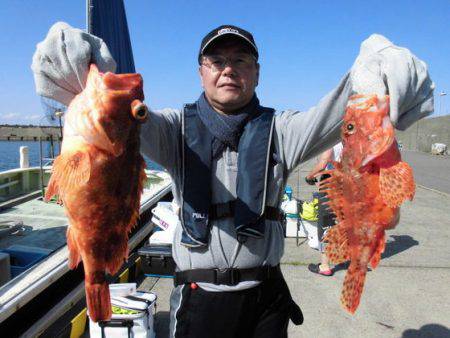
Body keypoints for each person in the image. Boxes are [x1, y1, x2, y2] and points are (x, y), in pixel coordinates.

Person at [32, 22, 434, 338]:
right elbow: (118, 124)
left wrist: (377, 65)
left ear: (257, 73)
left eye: (241, 60)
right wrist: (82, 71)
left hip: (266, 300)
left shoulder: (282, 129)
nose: (228, 69)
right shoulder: (173, 129)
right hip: (199, 301)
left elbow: (341, 110)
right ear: (201, 72)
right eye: (216, 60)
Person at [305, 143, 343, 276]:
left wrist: (310, 176)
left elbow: (323, 162)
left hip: (331, 185)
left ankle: (324, 266)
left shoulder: (333, 140)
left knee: (326, 225)